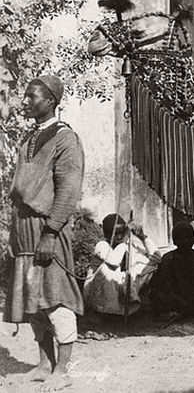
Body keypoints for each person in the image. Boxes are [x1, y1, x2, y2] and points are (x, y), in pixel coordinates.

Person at [3, 75, 84, 390]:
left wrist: (51, 232)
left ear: (50, 100)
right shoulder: (27, 137)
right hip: (24, 228)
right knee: (31, 299)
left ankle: (63, 371)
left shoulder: (65, 139)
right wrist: (14, 233)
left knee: (55, 298)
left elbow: (67, 191)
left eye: (31, 97)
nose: (24, 102)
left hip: (47, 227)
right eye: (24, 96)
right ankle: (44, 363)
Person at [82, 213, 161, 316]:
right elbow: (114, 261)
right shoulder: (102, 246)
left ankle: (125, 308)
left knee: (146, 268)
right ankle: (106, 313)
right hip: (97, 295)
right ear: (107, 235)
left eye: (122, 233)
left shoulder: (127, 246)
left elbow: (156, 259)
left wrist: (142, 237)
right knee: (108, 270)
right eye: (115, 234)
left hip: (118, 293)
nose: (119, 237)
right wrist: (124, 240)